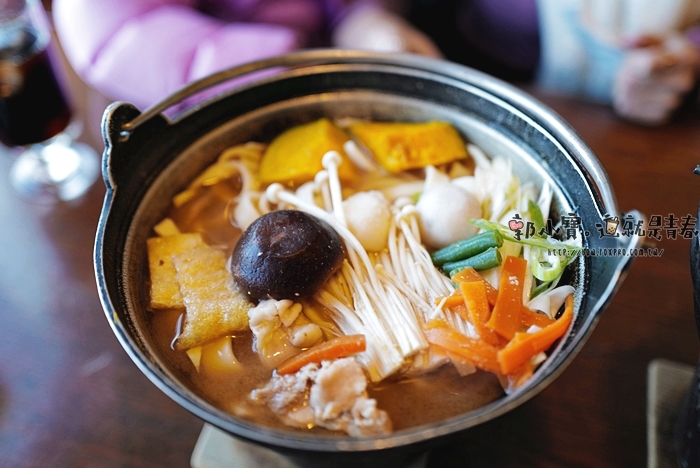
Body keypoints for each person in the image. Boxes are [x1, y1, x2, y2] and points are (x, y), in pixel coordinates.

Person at [54, 0, 700, 125]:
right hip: (236, 105)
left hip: (591, 101)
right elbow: (123, 38)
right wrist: (346, 35)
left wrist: (358, 14)